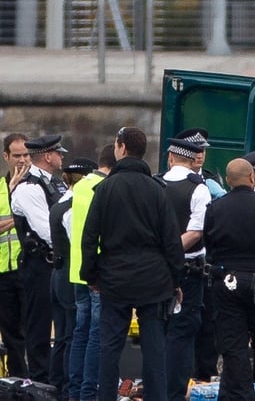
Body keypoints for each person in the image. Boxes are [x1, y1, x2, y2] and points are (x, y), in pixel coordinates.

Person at [80, 126, 184, 401]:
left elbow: (90, 237)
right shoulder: (157, 190)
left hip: (114, 277)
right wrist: (176, 280)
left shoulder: (104, 189)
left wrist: (90, 275)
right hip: (154, 279)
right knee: (154, 349)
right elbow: (171, 240)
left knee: (109, 348)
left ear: (122, 148)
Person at [203, 158, 255, 400]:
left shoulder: (215, 208)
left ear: (228, 182)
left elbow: (210, 245)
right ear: (252, 178)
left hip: (227, 285)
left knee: (234, 349)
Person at [11, 134, 69, 383]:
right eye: (58, 153)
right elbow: (47, 230)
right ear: (47, 156)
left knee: (63, 324)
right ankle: (38, 381)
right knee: (39, 327)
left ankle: (56, 380)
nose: (62, 157)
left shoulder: (56, 184)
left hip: (56, 263)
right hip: (38, 265)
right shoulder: (29, 188)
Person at [160, 138, 212, 401]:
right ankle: (175, 393)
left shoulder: (156, 183)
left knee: (157, 329)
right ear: (192, 160)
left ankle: (156, 388)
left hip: (156, 268)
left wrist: (160, 253)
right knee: (182, 332)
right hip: (187, 269)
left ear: (170, 157)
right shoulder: (198, 188)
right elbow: (195, 232)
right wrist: (172, 250)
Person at [68, 144, 115, 401]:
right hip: (97, 272)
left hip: (78, 270)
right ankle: (89, 392)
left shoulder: (81, 185)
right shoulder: (103, 187)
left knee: (80, 333)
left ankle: (75, 391)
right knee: (97, 335)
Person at [48, 157, 96, 400]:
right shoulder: (73, 207)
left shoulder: (60, 203)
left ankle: (57, 385)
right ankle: (66, 388)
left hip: (58, 273)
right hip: (69, 276)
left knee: (64, 336)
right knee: (71, 335)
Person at [0, 133, 30, 378]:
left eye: (26, 155)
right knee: (12, 336)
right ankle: (17, 383)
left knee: (36, 332)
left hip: (31, 269)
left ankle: (39, 384)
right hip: (3, 273)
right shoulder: (1, 188)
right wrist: (18, 217)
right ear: (6, 156)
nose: (22, 160)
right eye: (17, 155)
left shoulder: (38, 185)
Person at [176, 127, 227, 199]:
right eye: (195, 151)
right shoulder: (172, 178)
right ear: (183, 152)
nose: (200, 156)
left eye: (202, 150)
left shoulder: (211, 178)